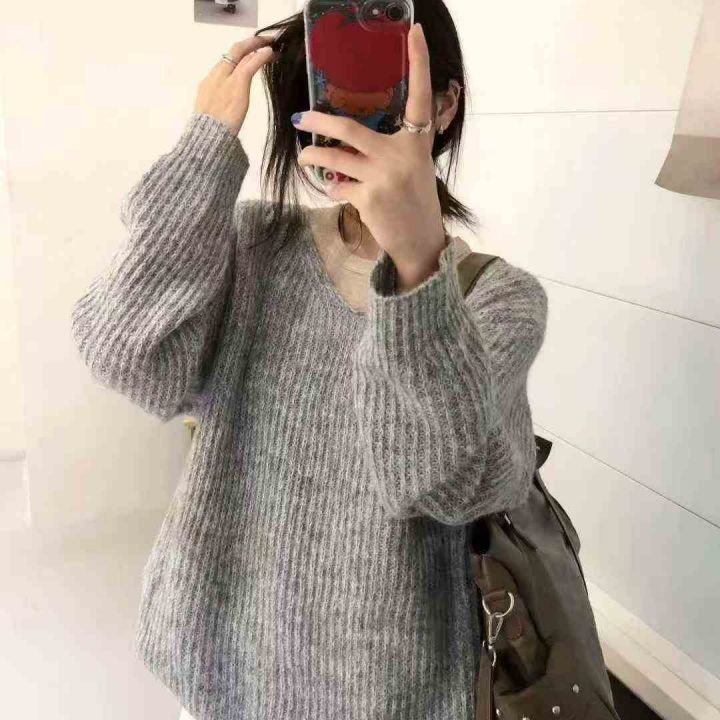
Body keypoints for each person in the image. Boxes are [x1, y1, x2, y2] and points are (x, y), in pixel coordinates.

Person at [70, 3, 548, 719]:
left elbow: (441, 485)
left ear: (444, 105)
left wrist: (417, 264)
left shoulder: (499, 299)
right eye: (323, 101)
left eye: (375, 97)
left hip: (381, 697)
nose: (343, 124)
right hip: (214, 667)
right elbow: (128, 357)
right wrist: (205, 148)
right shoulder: (257, 241)